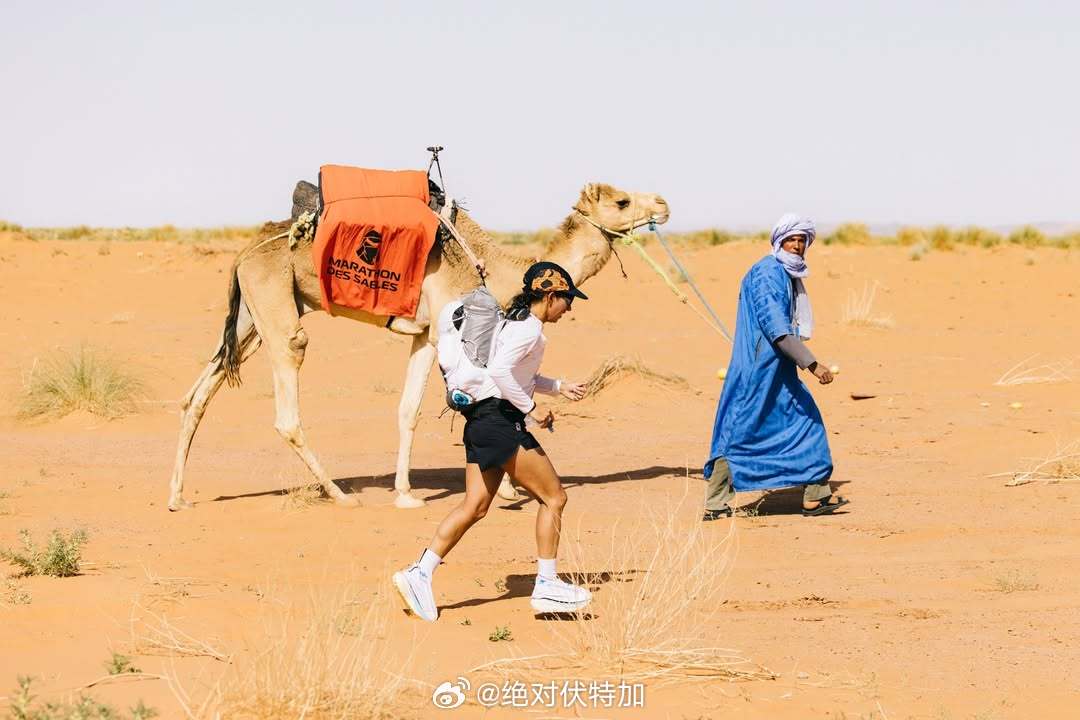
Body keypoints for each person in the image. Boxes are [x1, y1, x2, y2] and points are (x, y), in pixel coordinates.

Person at [393, 261, 593, 621]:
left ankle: (419, 573)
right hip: (501, 423)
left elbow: (516, 372)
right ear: (550, 296)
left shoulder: (515, 324)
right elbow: (501, 372)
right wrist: (532, 410)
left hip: (481, 424)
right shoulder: (527, 330)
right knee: (554, 497)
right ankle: (547, 584)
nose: (569, 309)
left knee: (475, 506)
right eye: (567, 299)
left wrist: (559, 387)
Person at [703, 213, 849, 519]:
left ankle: (816, 496)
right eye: (790, 240)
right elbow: (776, 328)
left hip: (779, 369)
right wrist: (812, 364)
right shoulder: (769, 272)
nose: (796, 246)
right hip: (757, 370)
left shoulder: (784, 273)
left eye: (801, 240)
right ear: (779, 241)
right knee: (738, 431)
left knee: (805, 424)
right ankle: (715, 504)